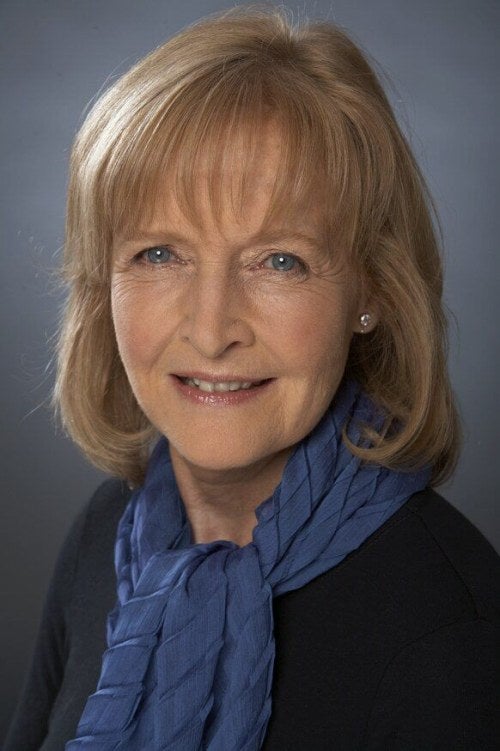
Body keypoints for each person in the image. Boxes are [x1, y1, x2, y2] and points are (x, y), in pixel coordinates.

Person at [5, 6, 500, 750]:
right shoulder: (106, 536)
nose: (211, 329)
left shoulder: (449, 631)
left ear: (371, 293)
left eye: (279, 260)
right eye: (159, 254)